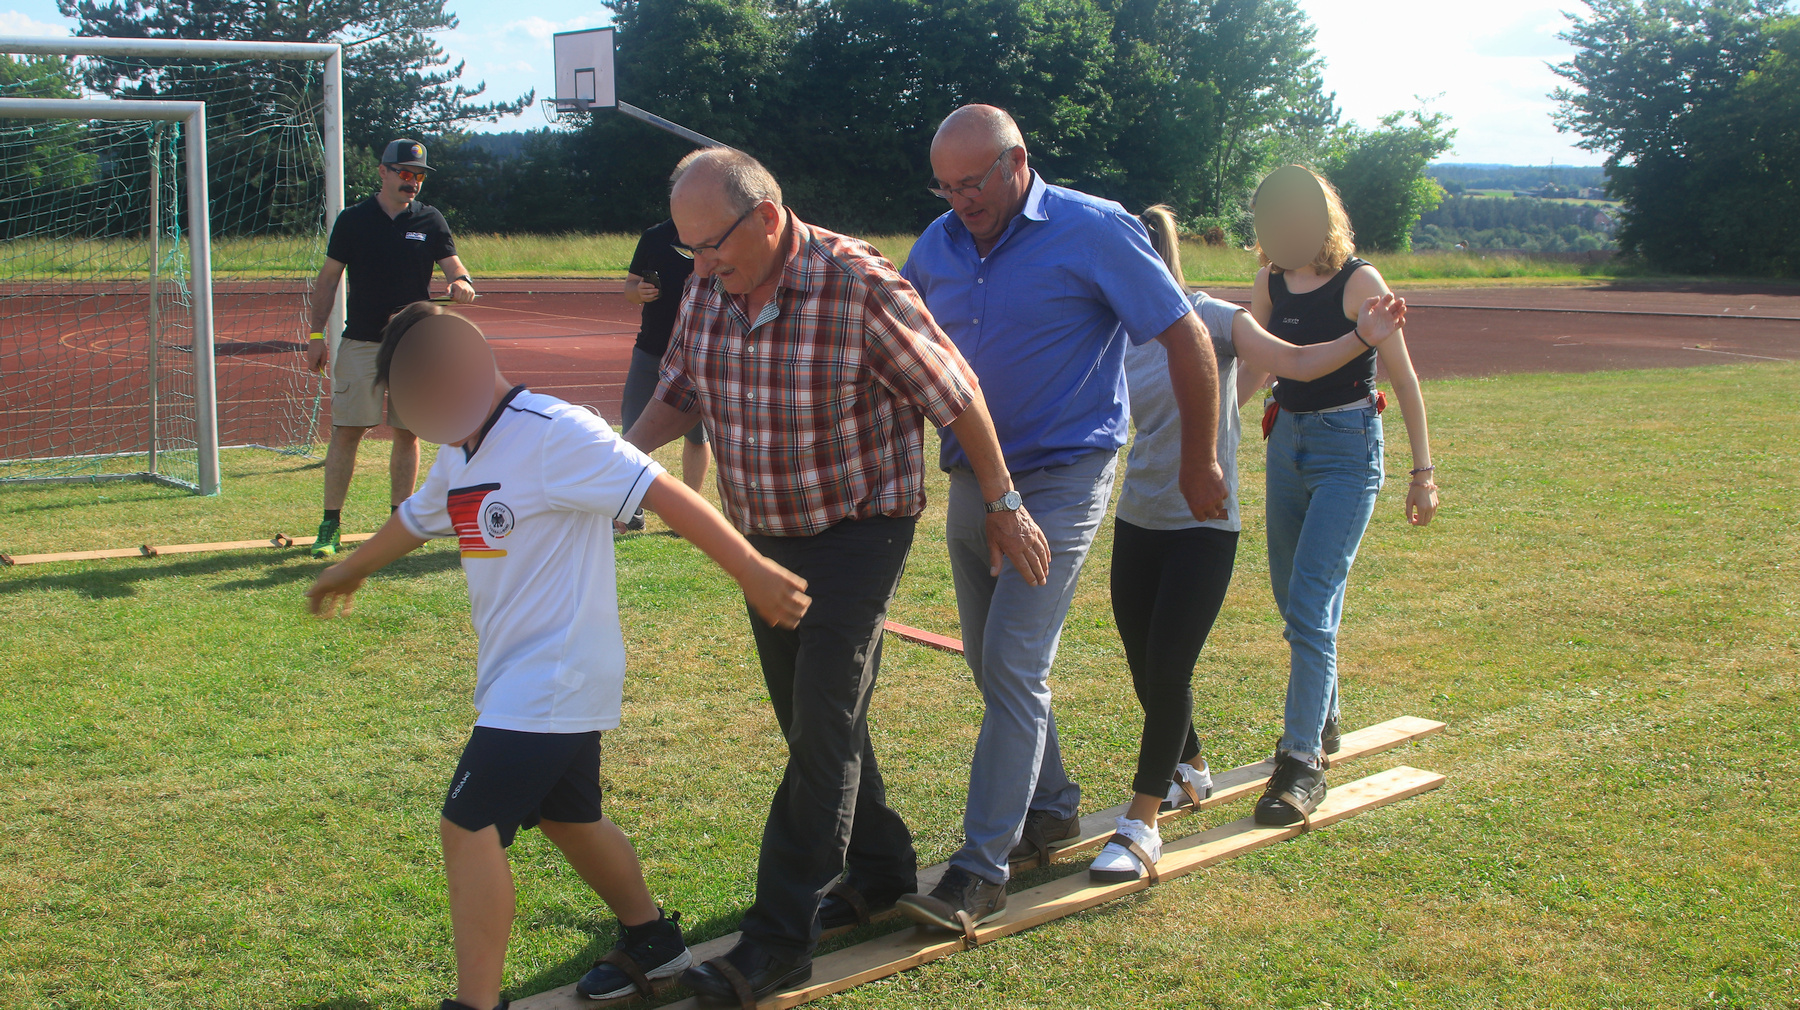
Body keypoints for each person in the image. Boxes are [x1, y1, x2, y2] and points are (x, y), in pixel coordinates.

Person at [622, 147, 1049, 1004]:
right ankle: (884, 865)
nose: (700, 268)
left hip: (860, 530)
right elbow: (680, 389)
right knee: (812, 718)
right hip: (766, 535)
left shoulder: (858, 285)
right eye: (689, 251)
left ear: (768, 217)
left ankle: (777, 939)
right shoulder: (710, 281)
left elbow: (956, 392)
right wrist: (618, 461)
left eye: (712, 248)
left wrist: (1003, 501)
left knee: (821, 726)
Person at [303, 302, 810, 1010]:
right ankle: (653, 941)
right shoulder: (459, 452)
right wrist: (350, 568)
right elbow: (415, 521)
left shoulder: (553, 430)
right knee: (570, 817)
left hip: (558, 673)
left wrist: (750, 567)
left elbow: (660, 490)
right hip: (520, 677)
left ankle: (476, 1003)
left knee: (467, 823)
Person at [894, 106, 1228, 932]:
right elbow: (904, 351)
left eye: (972, 183)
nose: (958, 200)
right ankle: (1050, 807)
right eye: (944, 184)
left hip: (1064, 476)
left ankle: (979, 868)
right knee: (984, 656)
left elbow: (1186, 337)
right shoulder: (936, 244)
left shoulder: (1094, 229)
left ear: (1017, 164)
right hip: (974, 478)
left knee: (1012, 661)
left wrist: (1198, 459)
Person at [1090, 205, 1408, 883]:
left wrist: (1362, 336)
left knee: (1170, 670)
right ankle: (1192, 769)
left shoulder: (1214, 319)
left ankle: (1142, 824)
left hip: (1203, 524)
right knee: (1143, 664)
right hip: (1138, 514)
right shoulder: (1115, 331)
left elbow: (1294, 360)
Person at [1239, 166, 1440, 828]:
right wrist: (1207, 423)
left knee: (1309, 604)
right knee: (1291, 598)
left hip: (1347, 450)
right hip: (1285, 443)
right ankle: (1322, 722)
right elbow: (1259, 361)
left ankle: (1300, 763)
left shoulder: (1361, 283)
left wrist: (1423, 472)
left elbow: (1404, 380)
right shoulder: (1271, 281)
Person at [303, 139, 478, 558]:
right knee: (347, 432)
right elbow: (327, 281)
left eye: (418, 175)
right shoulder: (353, 220)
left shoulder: (431, 220)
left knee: (408, 432)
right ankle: (331, 524)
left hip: (413, 344)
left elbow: (456, 268)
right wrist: (315, 338)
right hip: (361, 340)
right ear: (382, 172)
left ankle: (401, 521)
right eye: (404, 173)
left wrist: (463, 284)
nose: (412, 182)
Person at [621, 219, 709, 493]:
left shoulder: (714, 236)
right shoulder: (654, 237)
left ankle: (690, 505)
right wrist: (639, 292)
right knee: (632, 436)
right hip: (650, 349)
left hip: (694, 355)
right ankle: (632, 509)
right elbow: (630, 287)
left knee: (697, 437)